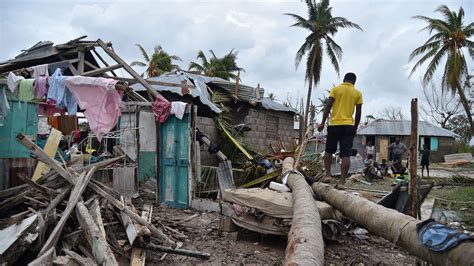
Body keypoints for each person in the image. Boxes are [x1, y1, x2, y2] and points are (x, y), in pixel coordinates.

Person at [317, 72, 363, 190]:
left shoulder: (336, 89)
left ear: (344, 79)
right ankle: (342, 182)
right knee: (345, 154)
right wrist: (355, 127)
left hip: (335, 125)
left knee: (329, 150)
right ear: (354, 82)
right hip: (348, 126)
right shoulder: (357, 93)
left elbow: (328, 106)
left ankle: (328, 175)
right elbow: (358, 113)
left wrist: (322, 122)